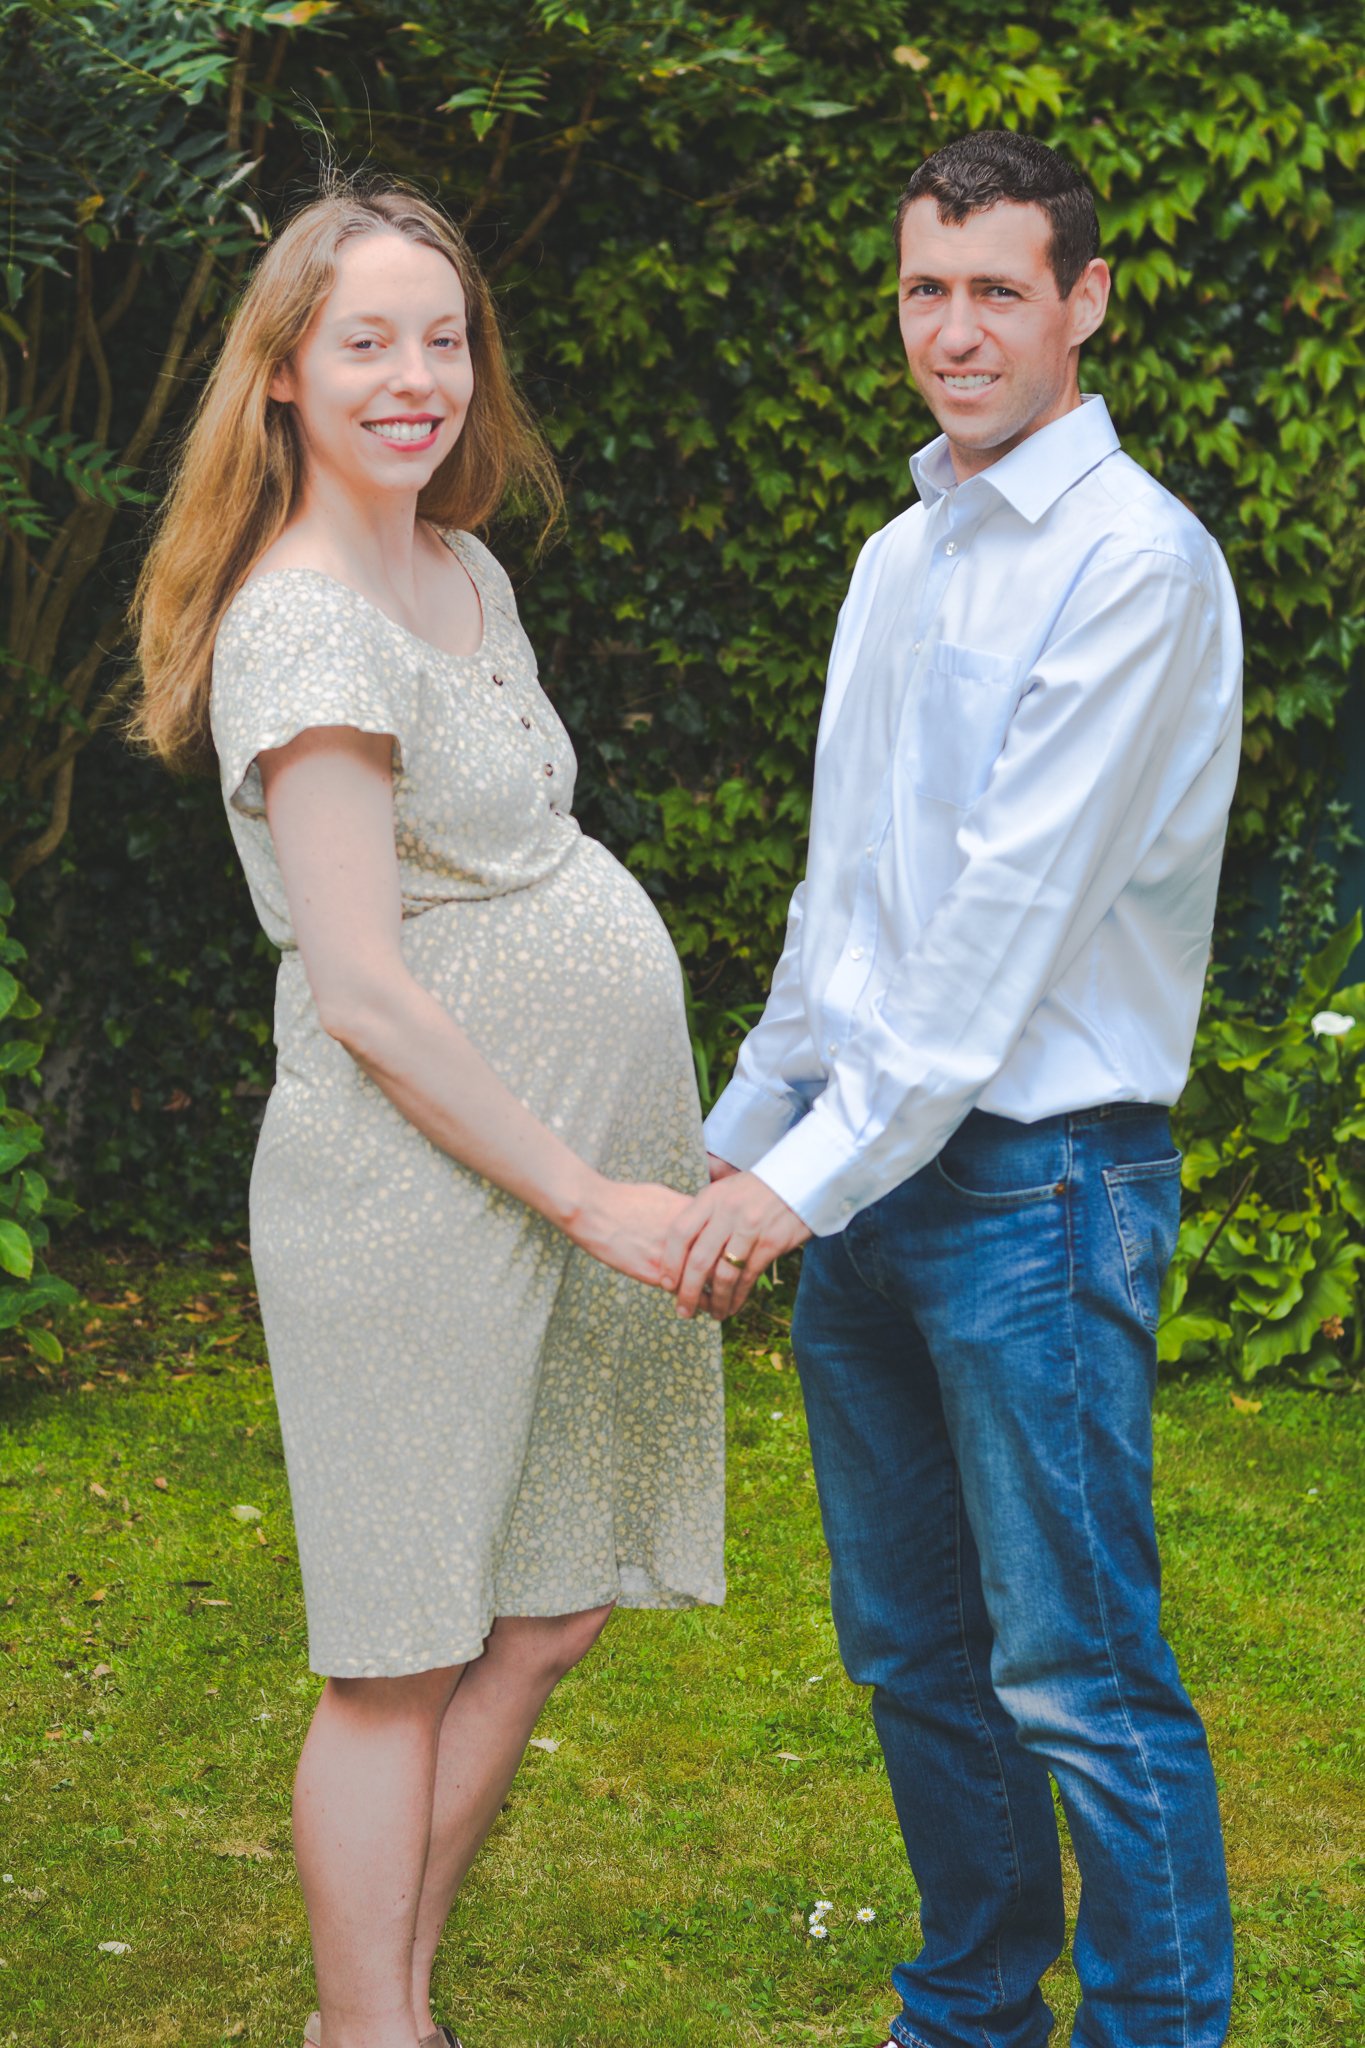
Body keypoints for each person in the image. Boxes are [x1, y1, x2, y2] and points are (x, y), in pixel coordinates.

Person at [131, 178, 725, 2048]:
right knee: (399, 1655)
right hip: (419, 1198)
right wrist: (589, 1198)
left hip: (568, 1167)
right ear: (286, 374)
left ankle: (375, 1998)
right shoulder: (302, 626)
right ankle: (368, 2020)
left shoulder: (466, 573)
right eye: (365, 342)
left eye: (442, 337)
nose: (413, 377)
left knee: (544, 1612)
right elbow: (369, 987)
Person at [667, 131, 1241, 2048]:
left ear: (1083, 300)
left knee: (1076, 1670)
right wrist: (726, 1150)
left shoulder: (1133, 564)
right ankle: (971, 2015)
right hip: (880, 1192)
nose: (956, 329)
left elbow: (996, 938)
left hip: (1040, 1189)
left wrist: (795, 1183)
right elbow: (849, 912)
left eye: (1000, 288)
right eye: (927, 287)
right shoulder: (893, 560)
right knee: (919, 1660)